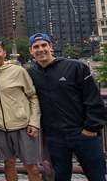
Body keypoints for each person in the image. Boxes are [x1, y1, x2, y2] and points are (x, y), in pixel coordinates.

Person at [27, 33, 107, 181]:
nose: (41, 49)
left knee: (97, 177)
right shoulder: (30, 74)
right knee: (61, 178)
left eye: (44, 45)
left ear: (51, 46)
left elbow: (93, 99)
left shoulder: (75, 67)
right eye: (36, 47)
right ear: (30, 51)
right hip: (55, 137)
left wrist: (90, 129)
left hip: (83, 135)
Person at [0, 38, 42, 181]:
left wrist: (34, 122)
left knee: (32, 166)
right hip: (0, 128)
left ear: (4, 52)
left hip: (23, 126)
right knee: (8, 164)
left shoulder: (18, 71)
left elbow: (33, 97)